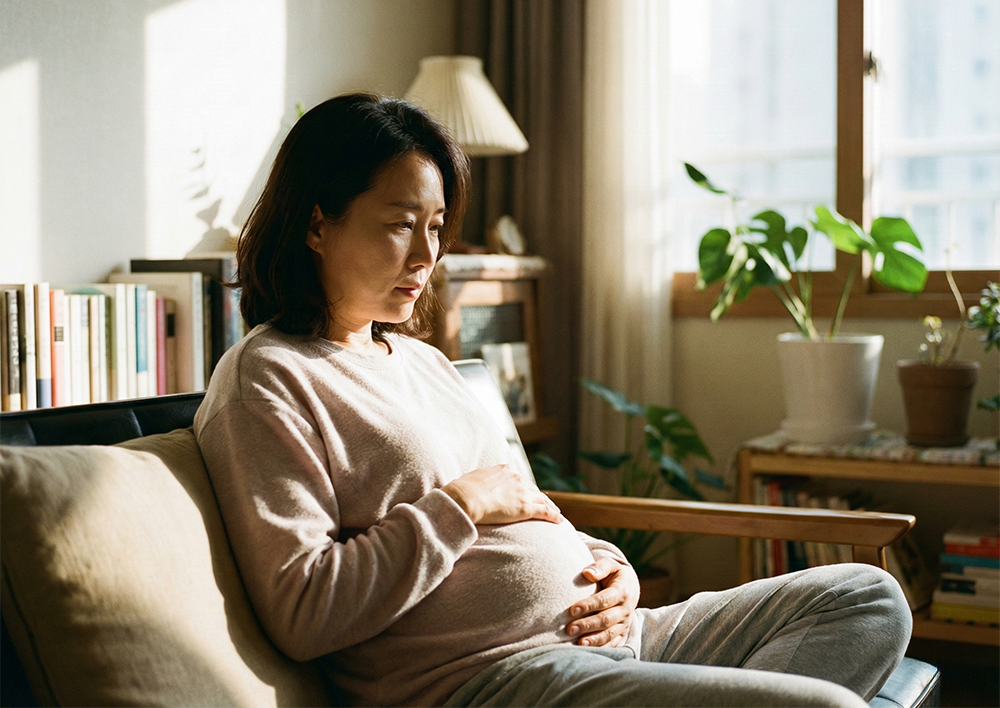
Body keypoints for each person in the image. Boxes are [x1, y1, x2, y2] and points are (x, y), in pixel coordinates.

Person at [193, 94, 911, 708]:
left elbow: (532, 511)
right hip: (497, 677)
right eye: (400, 223)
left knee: (869, 598)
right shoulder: (268, 377)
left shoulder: (423, 362)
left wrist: (612, 570)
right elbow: (305, 609)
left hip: (613, 637)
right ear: (317, 224)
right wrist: (459, 505)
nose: (427, 255)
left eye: (436, 227)